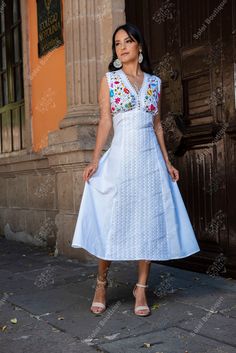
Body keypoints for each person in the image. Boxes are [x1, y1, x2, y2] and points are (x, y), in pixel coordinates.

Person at [71, 23, 200, 317]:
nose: (122, 47)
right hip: (120, 160)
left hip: (150, 162)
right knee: (112, 221)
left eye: (128, 41)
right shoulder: (110, 80)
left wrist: (167, 163)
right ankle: (101, 282)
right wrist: (95, 160)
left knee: (149, 222)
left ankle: (140, 288)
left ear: (139, 46)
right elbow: (105, 122)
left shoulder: (155, 83)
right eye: (117, 44)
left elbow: (156, 126)